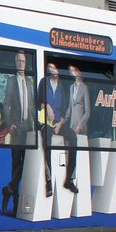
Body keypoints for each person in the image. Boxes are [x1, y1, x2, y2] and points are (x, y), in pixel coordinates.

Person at [37, 61, 78, 196]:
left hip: (58, 123)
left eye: (54, 68)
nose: (52, 70)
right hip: (45, 122)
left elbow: (65, 109)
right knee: (47, 140)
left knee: (73, 136)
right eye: (50, 68)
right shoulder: (43, 82)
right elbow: (38, 102)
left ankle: (69, 179)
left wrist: (60, 124)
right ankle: (48, 181)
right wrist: (46, 106)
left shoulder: (61, 86)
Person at [1, 50, 34, 214]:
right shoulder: (11, 81)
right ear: (15, 63)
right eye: (18, 61)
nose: (21, 64)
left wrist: (37, 125)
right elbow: (6, 104)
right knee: (16, 164)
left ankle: (9, 188)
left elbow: (32, 106)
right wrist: (9, 124)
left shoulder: (29, 81)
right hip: (16, 127)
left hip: (28, 128)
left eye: (23, 61)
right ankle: (15, 203)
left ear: (26, 63)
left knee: (26, 163)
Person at [67, 64, 91, 187]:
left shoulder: (84, 88)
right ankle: (70, 179)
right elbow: (69, 108)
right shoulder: (71, 87)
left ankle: (78, 181)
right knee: (71, 153)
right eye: (71, 71)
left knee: (79, 154)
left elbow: (88, 111)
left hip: (80, 127)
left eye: (75, 70)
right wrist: (62, 121)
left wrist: (80, 125)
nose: (74, 73)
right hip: (72, 126)